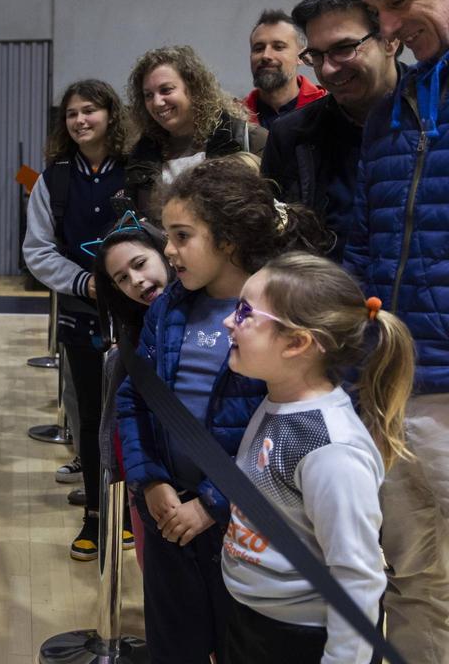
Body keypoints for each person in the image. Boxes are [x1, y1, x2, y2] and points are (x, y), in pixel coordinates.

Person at [115, 158, 327, 663]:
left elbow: (287, 432)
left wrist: (212, 504)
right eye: (167, 235)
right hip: (168, 516)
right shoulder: (168, 308)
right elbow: (134, 398)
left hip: (246, 528)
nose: (168, 250)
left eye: (182, 236)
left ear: (228, 240)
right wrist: (150, 481)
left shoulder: (280, 317)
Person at [220, 252, 412, 663]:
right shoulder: (278, 402)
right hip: (252, 617)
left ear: (297, 342)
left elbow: (357, 580)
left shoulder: (332, 448)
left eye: (245, 312)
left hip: (300, 637)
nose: (228, 322)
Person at [353, 0, 449, 663]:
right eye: (377, 10)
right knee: (416, 580)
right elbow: (366, 239)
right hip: (403, 390)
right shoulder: (390, 112)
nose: (387, 27)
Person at [23, 79, 132, 561]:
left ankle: (128, 511)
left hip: (136, 313)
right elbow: (38, 250)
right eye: (72, 113)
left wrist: (132, 281)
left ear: (111, 114)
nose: (81, 120)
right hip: (80, 311)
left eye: (90, 110)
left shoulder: (137, 170)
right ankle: (95, 512)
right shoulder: (54, 179)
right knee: (90, 417)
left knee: (131, 414)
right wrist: (84, 283)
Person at [261, 0, 403, 262]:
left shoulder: (436, 117)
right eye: (316, 55)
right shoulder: (291, 135)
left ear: (390, 40)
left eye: (343, 49)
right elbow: (271, 244)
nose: (327, 69)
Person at [91, 213, 175, 571]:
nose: (136, 281)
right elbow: (126, 422)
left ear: (164, 251)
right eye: (122, 278)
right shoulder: (128, 346)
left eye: (140, 264)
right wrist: (147, 483)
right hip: (149, 485)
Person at [125, 45, 267, 225]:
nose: (157, 102)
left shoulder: (248, 139)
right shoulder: (141, 155)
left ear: (194, 88)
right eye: (148, 95)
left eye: (166, 90)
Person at [244, 10, 326, 130]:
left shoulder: (327, 110)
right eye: (258, 49)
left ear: (302, 56)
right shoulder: (234, 118)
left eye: (278, 47)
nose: (266, 55)